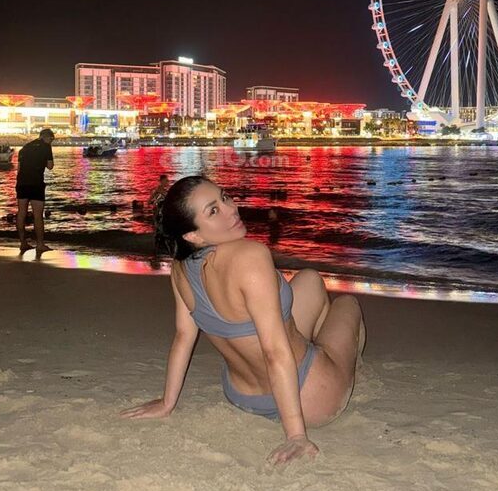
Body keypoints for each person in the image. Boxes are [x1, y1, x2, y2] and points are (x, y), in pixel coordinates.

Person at [121, 175, 366, 465]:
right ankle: (340, 366)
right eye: (214, 211)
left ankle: (311, 353)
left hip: (242, 396)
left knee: (310, 279)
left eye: (224, 197)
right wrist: (296, 435)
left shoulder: (180, 268)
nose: (232, 208)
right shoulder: (251, 256)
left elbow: (184, 337)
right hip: (308, 399)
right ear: (194, 236)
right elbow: (274, 351)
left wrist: (166, 403)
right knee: (348, 305)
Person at [15, 128, 55, 258]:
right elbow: (50, 166)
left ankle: (23, 243)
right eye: (51, 139)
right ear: (46, 137)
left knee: (21, 213)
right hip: (36, 183)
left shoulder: (24, 148)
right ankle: (40, 245)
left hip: (21, 183)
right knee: (38, 215)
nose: (51, 142)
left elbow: (19, 169)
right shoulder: (46, 147)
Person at [149, 173, 171, 255]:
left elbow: (150, 201)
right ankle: (158, 249)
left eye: (167, 180)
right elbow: (150, 201)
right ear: (161, 181)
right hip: (159, 213)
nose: (167, 182)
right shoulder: (159, 190)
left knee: (160, 230)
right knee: (160, 230)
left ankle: (158, 248)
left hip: (161, 213)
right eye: (166, 180)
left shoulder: (162, 190)